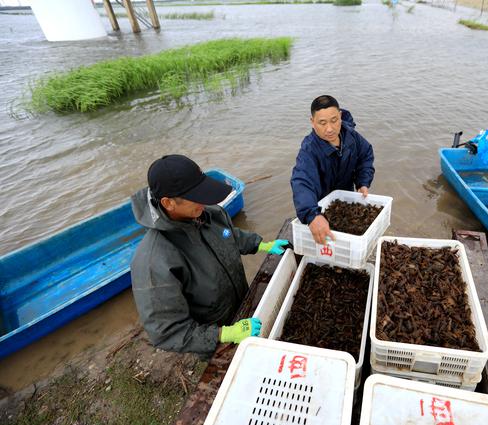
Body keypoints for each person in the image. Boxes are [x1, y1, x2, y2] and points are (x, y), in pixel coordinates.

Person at [130, 154, 288, 356]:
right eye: (195, 197)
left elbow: (229, 235)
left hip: (241, 306)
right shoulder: (153, 261)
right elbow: (167, 332)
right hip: (213, 336)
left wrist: (262, 245)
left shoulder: (209, 214)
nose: (204, 201)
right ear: (168, 203)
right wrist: (223, 334)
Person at [290, 95, 375, 244]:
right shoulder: (309, 150)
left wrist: (363, 182)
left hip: (345, 202)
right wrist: (312, 215)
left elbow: (366, 154)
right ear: (312, 122)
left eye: (334, 120)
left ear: (340, 116)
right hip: (321, 207)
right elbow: (301, 181)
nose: (329, 129)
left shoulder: (351, 136)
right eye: (322, 123)